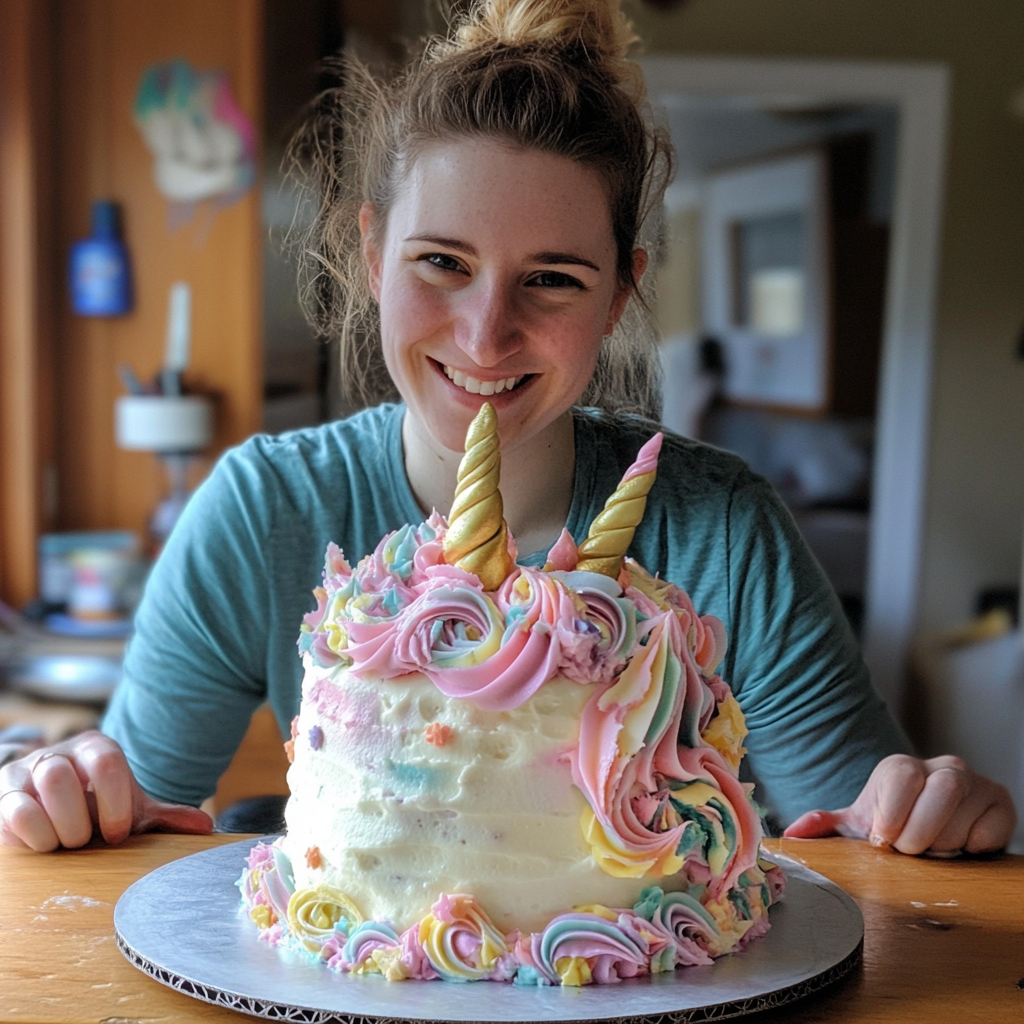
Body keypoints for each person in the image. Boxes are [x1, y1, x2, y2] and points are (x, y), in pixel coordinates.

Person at [1, 0, 1014, 857]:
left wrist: (917, 812)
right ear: (370, 251)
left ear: (621, 293)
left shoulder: (722, 530)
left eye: (553, 279)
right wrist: (70, 794)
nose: (487, 334)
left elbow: (860, 835)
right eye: (441, 262)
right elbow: (130, 829)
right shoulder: (265, 511)